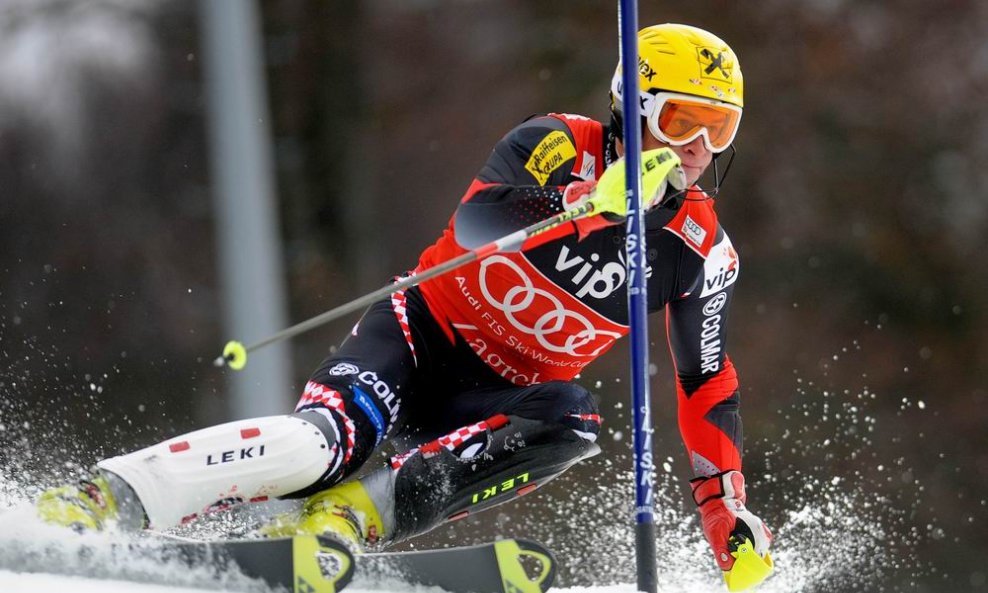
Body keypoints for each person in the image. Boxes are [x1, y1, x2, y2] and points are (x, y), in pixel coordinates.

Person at [37, 23, 772, 588]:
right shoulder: (553, 143)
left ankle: (349, 517)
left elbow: (706, 382)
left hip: (492, 398)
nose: (701, 148)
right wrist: (589, 206)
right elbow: (484, 221)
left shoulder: (700, 249)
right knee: (318, 446)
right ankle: (110, 497)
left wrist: (723, 511)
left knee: (574, 420)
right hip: (418, 335)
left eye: (722, 128)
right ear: (631, 105)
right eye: (682, 122)